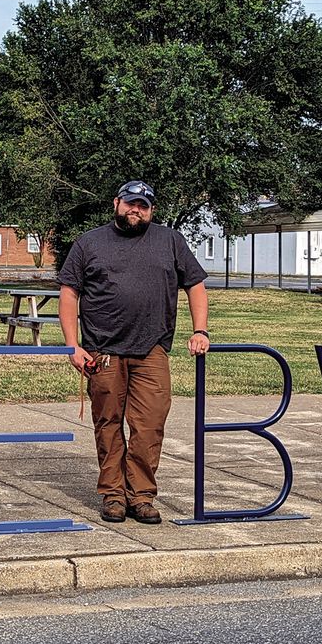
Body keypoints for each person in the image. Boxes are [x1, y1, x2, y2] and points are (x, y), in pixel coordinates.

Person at [57, 180, 210, 525]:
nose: (135, 210)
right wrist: (73, 346)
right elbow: (69, 294)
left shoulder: (169, 241)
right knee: (108, 424)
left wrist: (200, 330)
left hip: (152, 348)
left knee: (150, 425)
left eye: (143, 205)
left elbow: (196, 285)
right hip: (102, 350)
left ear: (151, 209)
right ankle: (113, 495)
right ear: (117, 203)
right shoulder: (89, 243)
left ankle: (140, 496)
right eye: (130, 203)